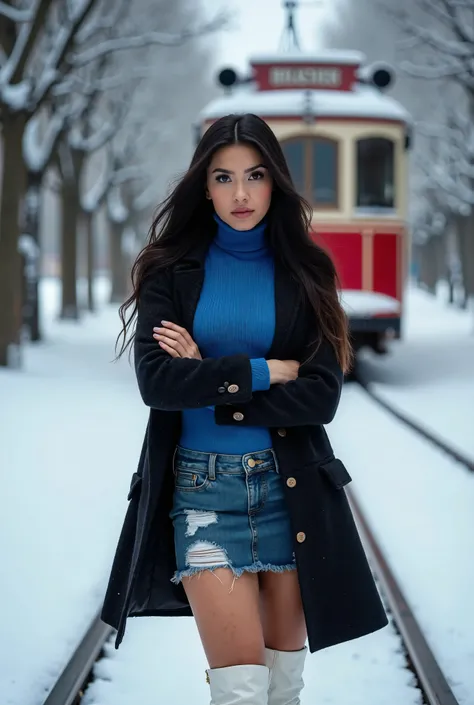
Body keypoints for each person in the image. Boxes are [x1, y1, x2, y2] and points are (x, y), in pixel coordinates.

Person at [100, 113, 388, 705]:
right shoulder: (169, 272)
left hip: (293, 489)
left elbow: (321, 397)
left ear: (274, 182)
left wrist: (207, 376)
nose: (240, 194)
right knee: (240, 692)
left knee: (283, 688)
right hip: (204, 496)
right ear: (203, 186)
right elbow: (158, 384)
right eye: (223, 177)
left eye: (254, 176)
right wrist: (262, 370)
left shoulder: (308, 272)